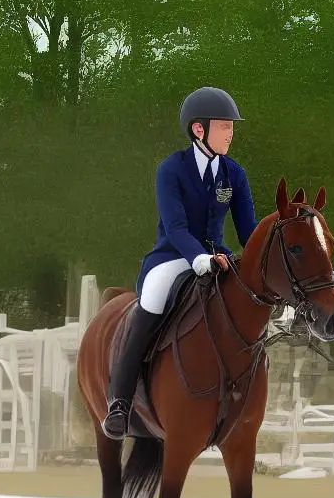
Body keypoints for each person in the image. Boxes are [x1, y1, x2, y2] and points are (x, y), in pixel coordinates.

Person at [100, 87, 260, 440]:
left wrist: (268, 272)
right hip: (173, 256)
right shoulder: (171, 169)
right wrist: (197, 258)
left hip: (218, 256)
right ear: (198, 130)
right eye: (223, 126)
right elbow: (175, 227)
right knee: (153, 300)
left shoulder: (235, 174)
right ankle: (120, 402)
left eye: (231, 127)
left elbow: (249, 231)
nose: (231, 133)